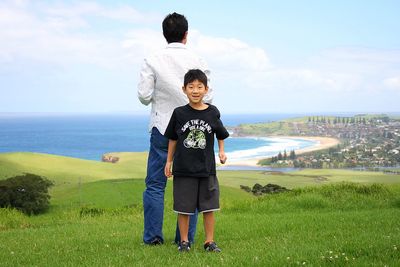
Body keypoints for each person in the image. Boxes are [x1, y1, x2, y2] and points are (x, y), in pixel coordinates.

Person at [138, 12, 213, 245]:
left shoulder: (152, 59)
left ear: (164, 35)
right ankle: (184, 240)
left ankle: (152, 239)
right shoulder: (198, 60)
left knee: (155, 185)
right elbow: (208, 94)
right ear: (186, 35)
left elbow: (143, 95)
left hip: (161, 127)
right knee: (190, 184)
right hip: (192, 127)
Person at [164, 69, 229, 252]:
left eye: (199, 86)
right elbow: (173, 139)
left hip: (206, 169)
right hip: (184, 169)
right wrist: (169, 161)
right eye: (191, 86)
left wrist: (222, 152)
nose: (195, 90)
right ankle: (184, 242)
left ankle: (209, 242)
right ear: (183, 89)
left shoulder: (212, 112)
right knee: (184, 209)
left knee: (209, 208)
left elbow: (220, 134)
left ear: (206, 89)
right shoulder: (179, 113)